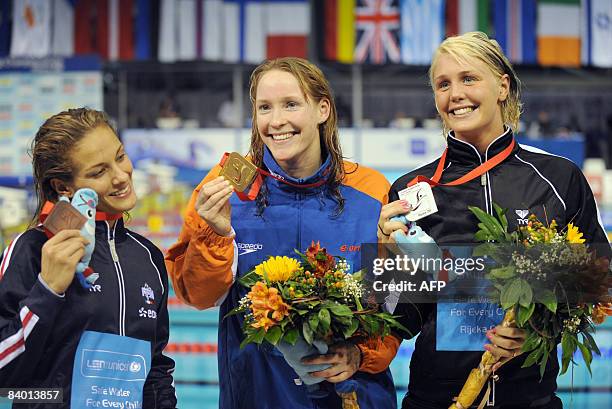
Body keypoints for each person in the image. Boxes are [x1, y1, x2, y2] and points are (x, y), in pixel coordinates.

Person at [378, 32, 609, 409]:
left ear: (502, 86)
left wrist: (536, 330)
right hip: (438, 400)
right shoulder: (412, 191)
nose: (455, 94)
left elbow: (597, 287)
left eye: (469, 79)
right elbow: (399, 320)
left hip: (531, 399)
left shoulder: (557, 178)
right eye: (443, 84)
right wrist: (388, 258)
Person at [166, 57, 399, 409]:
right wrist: (213, 235)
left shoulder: (371, 189)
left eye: (291, 104)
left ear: (322, 109)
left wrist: (360, 353)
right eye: (264, 108)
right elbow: (196, 296)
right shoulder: (225, 184)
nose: (276, 121)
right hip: (259, 396)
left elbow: (402, 303)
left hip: (355, 398)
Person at [0, 108, 177, 408]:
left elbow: (156, 370)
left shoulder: (148, 258)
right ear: (63, 187)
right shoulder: (32, 250)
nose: (121, 177)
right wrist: (47, 290)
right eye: (99, 172)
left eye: (120, 157)